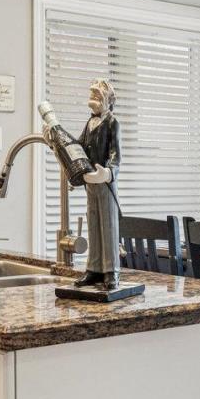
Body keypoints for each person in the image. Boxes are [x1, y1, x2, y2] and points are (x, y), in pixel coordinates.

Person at [73, 79, 122, 289]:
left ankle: (111, 271)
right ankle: (93, 269)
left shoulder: (112, 122)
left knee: (108, 226)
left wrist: (109, 173)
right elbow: (79, 146)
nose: (93, 97)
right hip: (90, 182)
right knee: (93, 224)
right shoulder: (89, 122)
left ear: (108, 100)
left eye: (97, 94)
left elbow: (115, 154)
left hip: (104, 182)